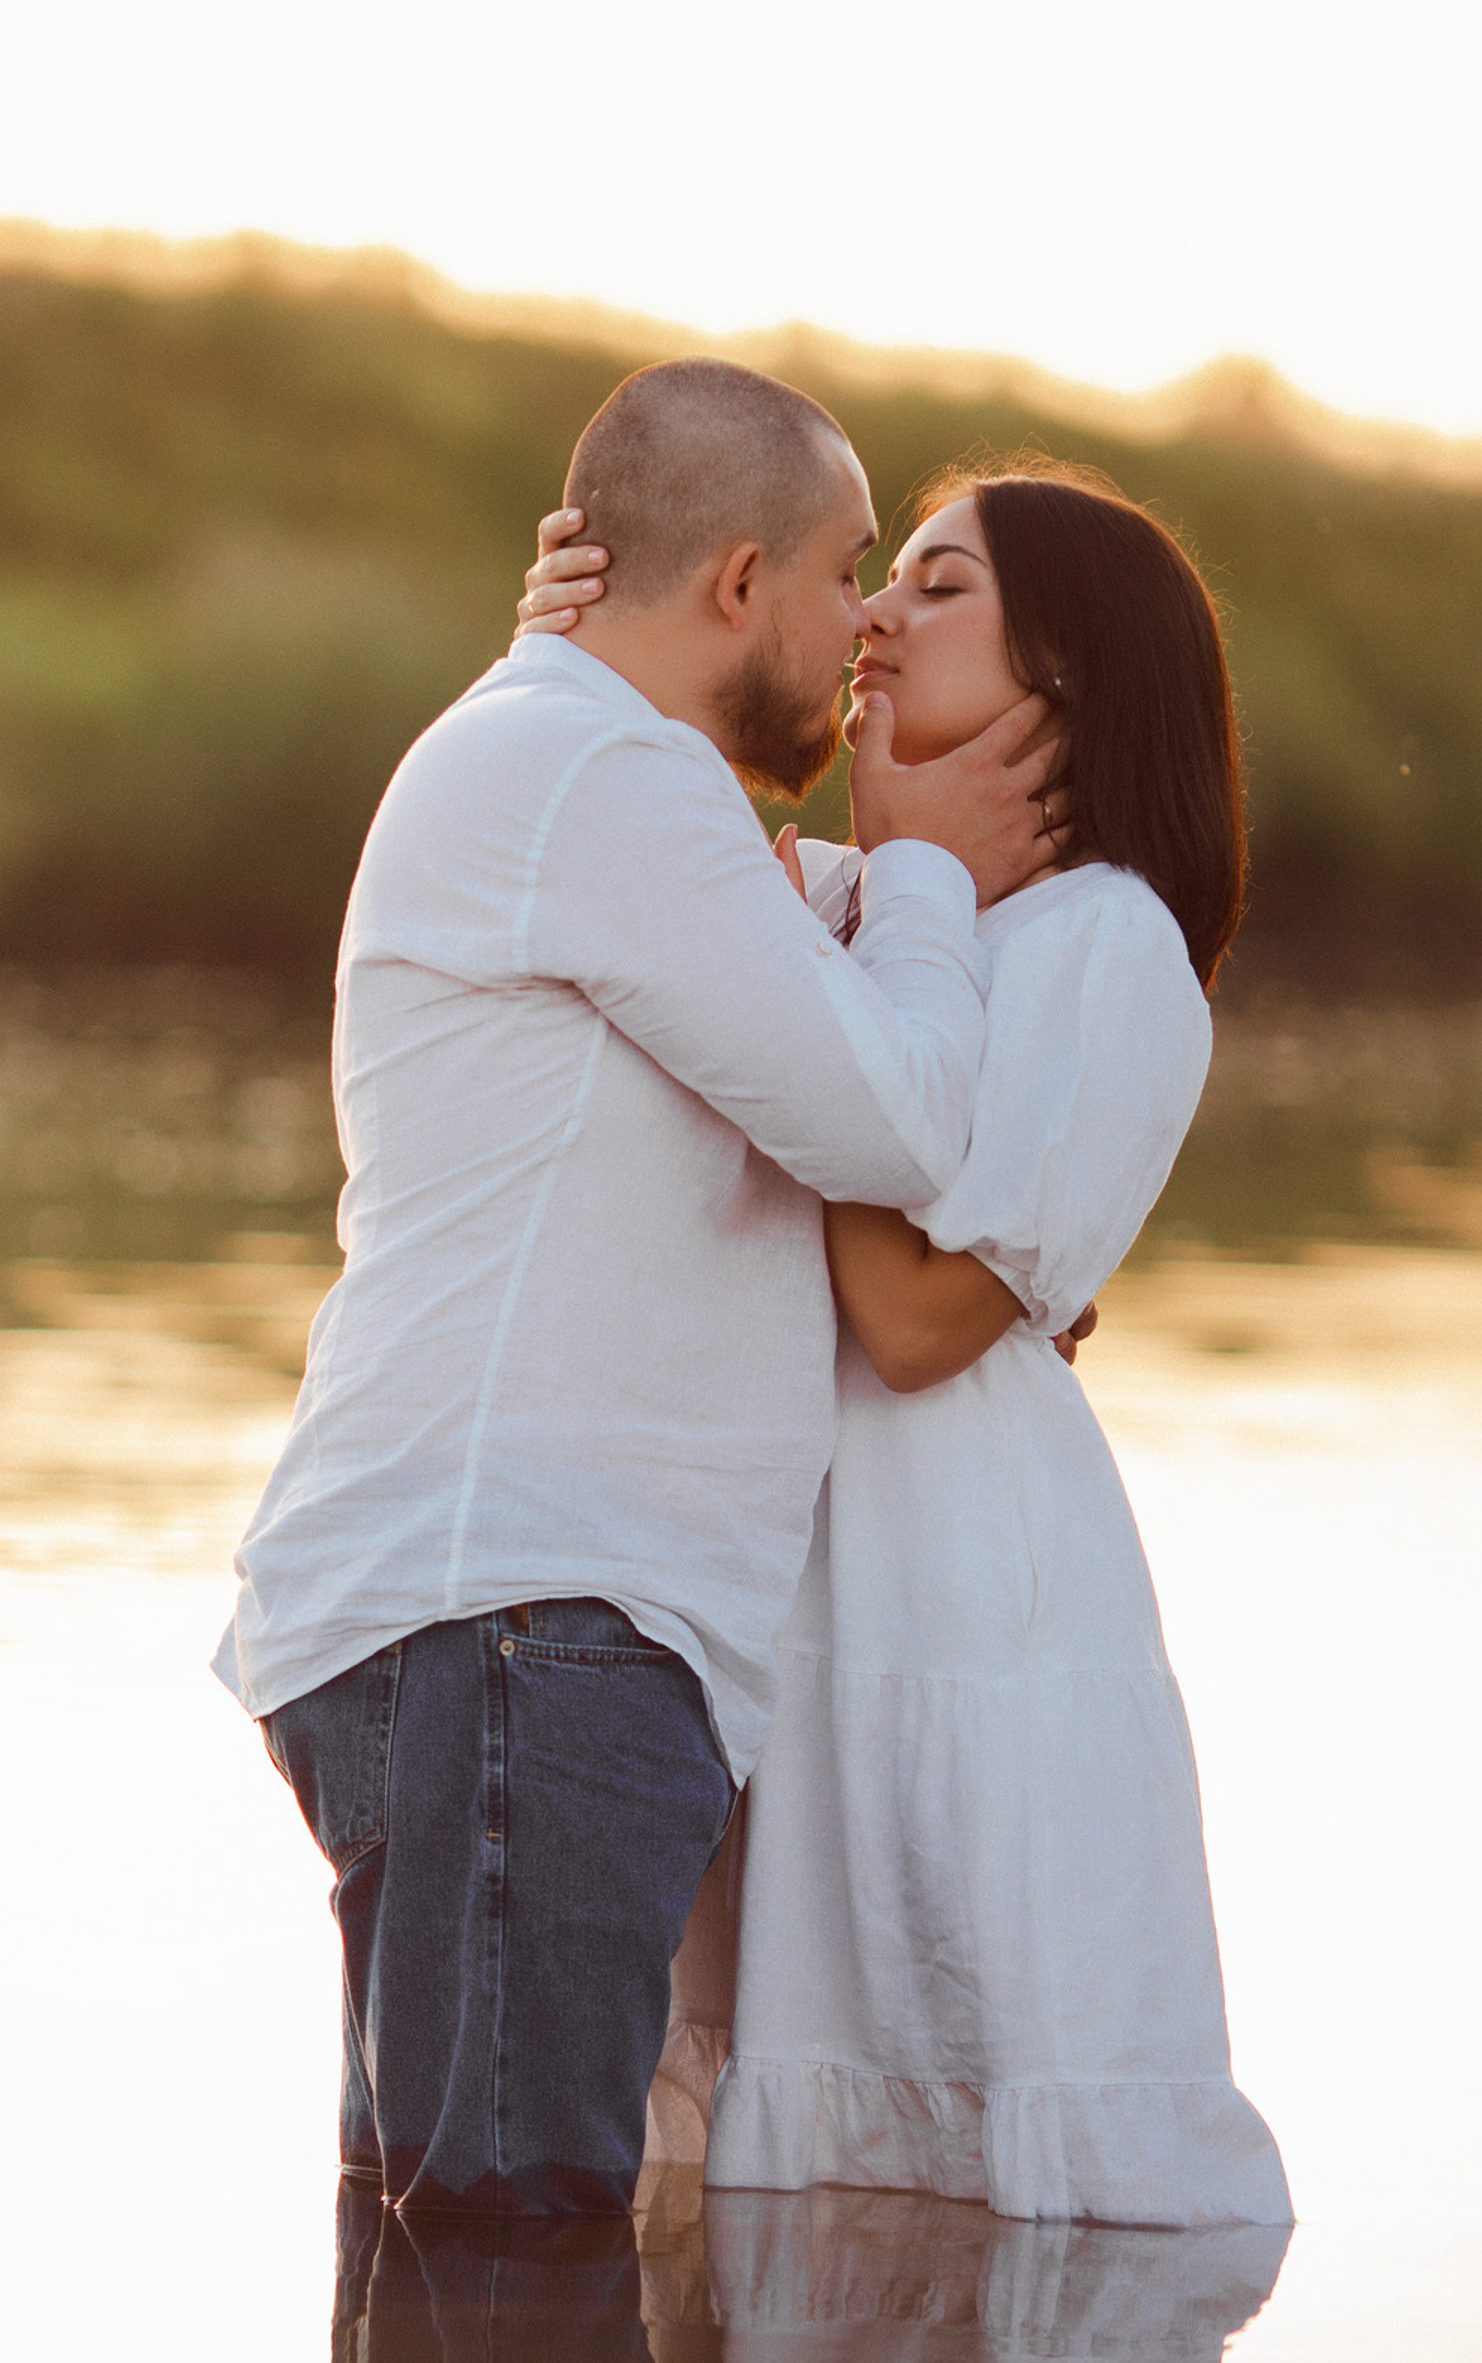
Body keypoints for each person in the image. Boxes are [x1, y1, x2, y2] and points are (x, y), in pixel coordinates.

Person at [216, 358, 1064, 2219]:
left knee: (452, 2265)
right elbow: (904, 1119)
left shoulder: (587, 766)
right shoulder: (602, 771)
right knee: (512, 2275)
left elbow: (785, 1002)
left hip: (501, 1630)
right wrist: (926, 874)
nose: (864, 636)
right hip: (523, 1625)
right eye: (853, 574)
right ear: (741, 582)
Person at [522, 461, 1291, 2226]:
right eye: (888, 577)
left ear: (1070, 676)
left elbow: (922, 1319)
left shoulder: (1106, 941)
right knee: (743, 2176)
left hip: (958, 1599)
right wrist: (573, 623)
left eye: (937, 587)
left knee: (954, 2157)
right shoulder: (888, 900)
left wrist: (879, 931)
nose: (871, 614)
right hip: (796, 1591)